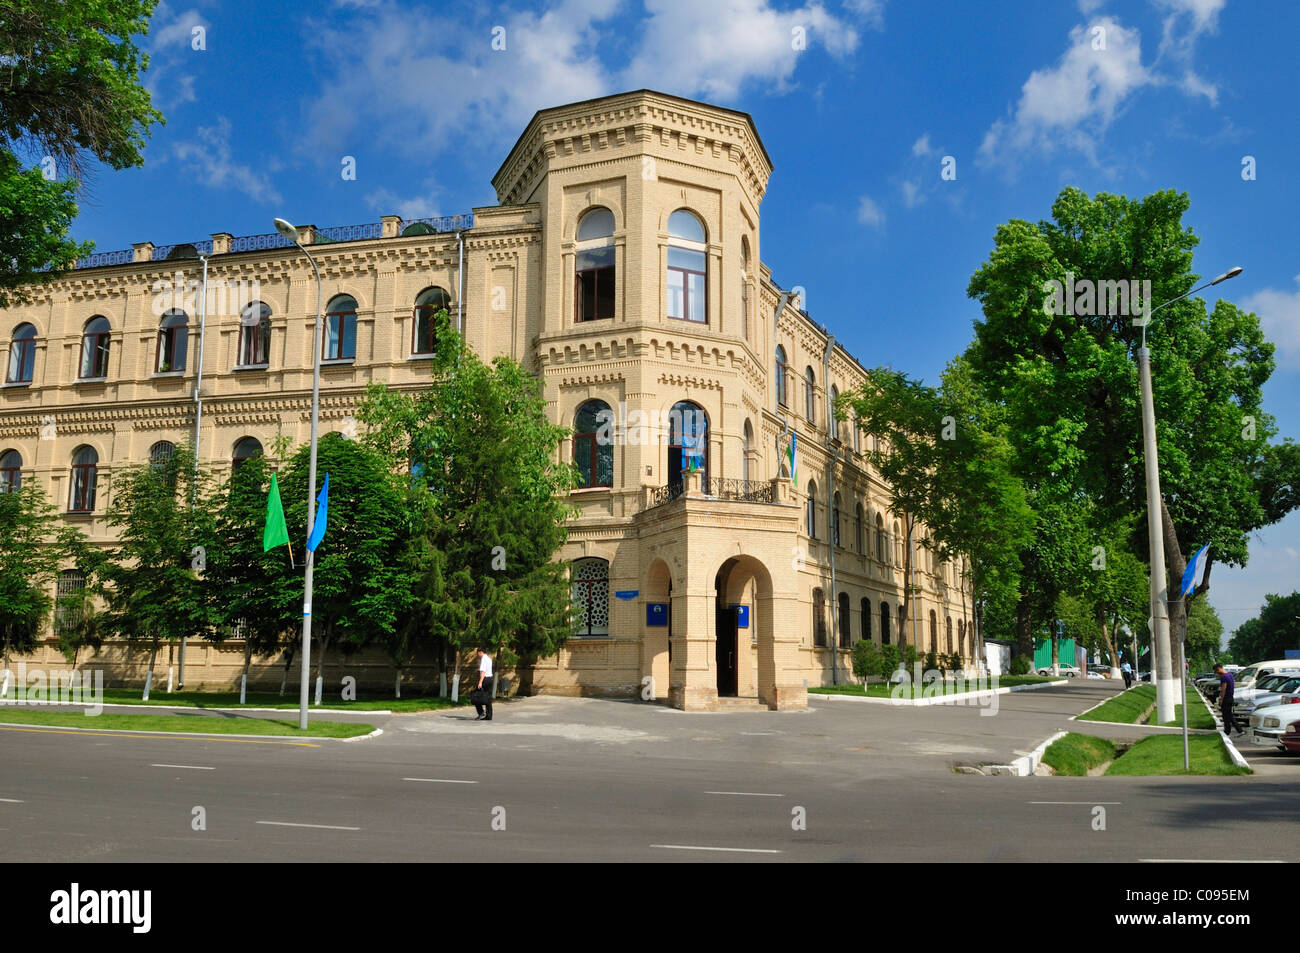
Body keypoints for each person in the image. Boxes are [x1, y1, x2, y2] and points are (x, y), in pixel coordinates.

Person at [1215, 663, 1239, 735]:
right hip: (1230, 697)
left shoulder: (1224, 677)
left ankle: (1228, 730)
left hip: (1226, 698)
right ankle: (1237, 730)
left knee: (1225, 715)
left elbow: (1223, 689)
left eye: (1216, 671)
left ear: (1218, 669)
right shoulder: (1230, 675)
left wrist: (1221, 699)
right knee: (1229, 715)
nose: (1216, 673)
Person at [474, 647, 494, 721]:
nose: (478, 655)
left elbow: (483, 672)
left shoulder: (483, 659)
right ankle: (489, 715)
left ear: (480, 652)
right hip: (490, 679)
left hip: (485, 679)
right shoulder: (489, 659)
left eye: (478, 653)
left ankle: (481, 713)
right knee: (488, 697)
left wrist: (480, 682)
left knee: (476, 696)